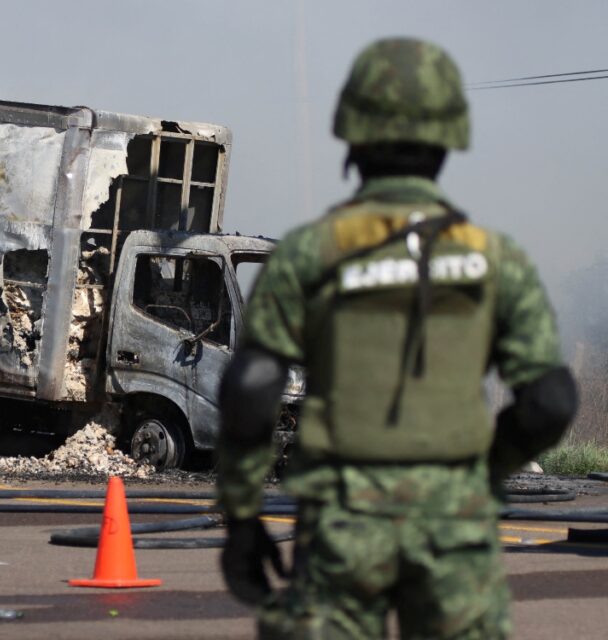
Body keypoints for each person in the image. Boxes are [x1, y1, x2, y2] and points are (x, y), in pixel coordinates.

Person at [216, 37, 578, 639]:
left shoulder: (310, 252)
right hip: (455, 528)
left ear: (352, 134)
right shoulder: (495, 260)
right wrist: (484, 475)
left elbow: (252, 389)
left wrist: (242, 515)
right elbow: (551, 402)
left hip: (342, 523)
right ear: (448, 138)